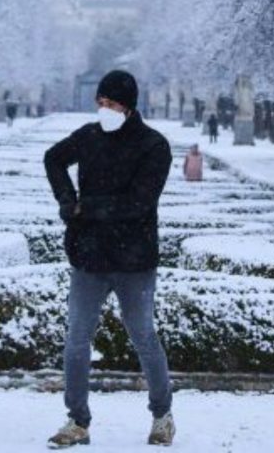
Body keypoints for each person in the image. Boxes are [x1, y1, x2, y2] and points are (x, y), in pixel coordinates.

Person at [43, 69, 175, 448]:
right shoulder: (88, 136)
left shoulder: (153, 145)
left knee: (144, 337)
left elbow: (139, 202)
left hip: (134, 260)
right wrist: (68, 202)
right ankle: (77, 420)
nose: (105, 109)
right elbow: (53, 159)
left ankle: (162, 414)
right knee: (76, 341)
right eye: (101, 102)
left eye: (113, 104)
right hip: (89, 257)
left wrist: (86, 209)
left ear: (129, 107)